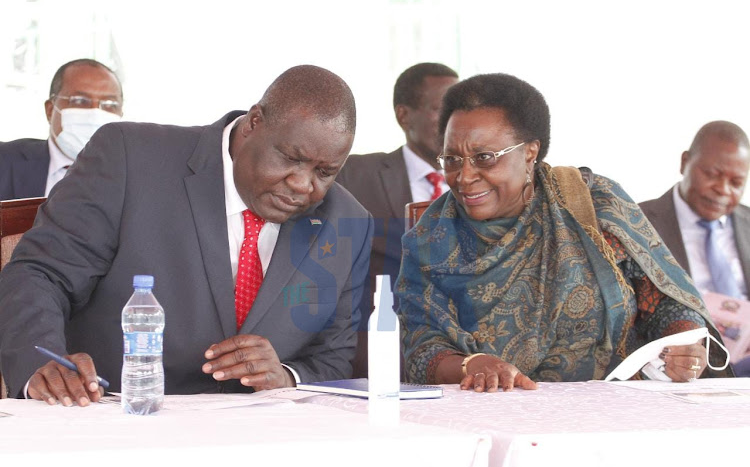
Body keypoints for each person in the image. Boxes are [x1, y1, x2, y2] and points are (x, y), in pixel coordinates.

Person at [0, 65, 373, 405]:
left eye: (325, 172)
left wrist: (287, 378)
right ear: (254, 122)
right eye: (291, 158)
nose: (303, 184)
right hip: (114, 418)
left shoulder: (346, 222)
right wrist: (40, 364)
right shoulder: (130, 158)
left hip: (262, 437)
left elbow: (332, 357)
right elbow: (40, 275)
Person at [396, 72, 730, 393]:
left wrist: (684, 345)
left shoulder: (591, 204)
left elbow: (665, 302)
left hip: (617, 409)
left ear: (530, 152)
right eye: (452, 158)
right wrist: (471, 365)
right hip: (490, 411)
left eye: (484, 158)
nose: (464, 176)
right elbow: (420, 348)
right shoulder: (430, 239)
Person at [336, 62, 457, 376]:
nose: (453, 121)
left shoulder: (487, 184)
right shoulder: (353, 175)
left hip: (470, 358)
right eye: (441, 108)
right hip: (379, 357)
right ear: (404, 115)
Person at [639, 121, 750, 375]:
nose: (722, 189)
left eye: (736, 182)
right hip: (679, 363)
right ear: (684, 163)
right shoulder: (637, 222)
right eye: (712, 174)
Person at [0, 58, 124, 200]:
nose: (94, 113)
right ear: (50, 110)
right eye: (80, 101)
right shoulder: (4, 162)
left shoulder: (137, 176)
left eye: (110, 104)